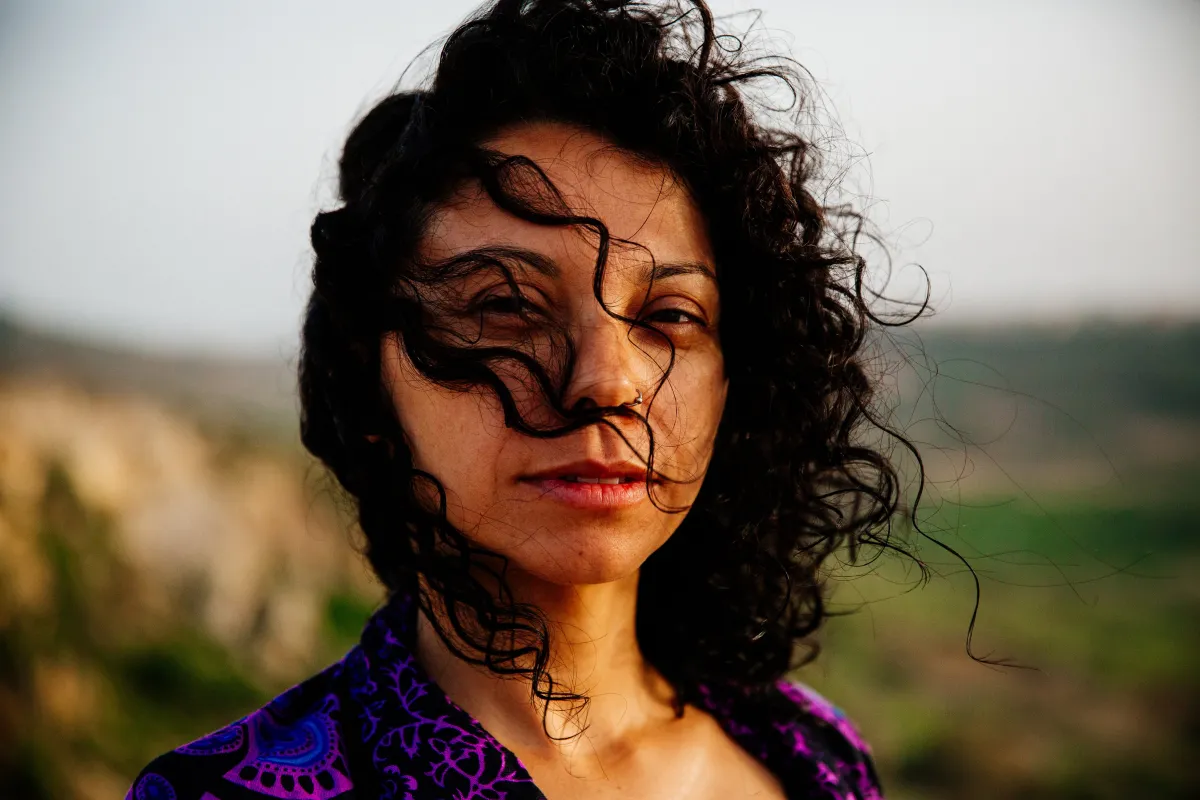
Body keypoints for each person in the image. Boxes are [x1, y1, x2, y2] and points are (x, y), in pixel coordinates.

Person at [128, 0, 915, 797]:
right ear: (368, 380)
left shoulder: (813, 755)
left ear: (733, 382)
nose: (609, 382)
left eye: (669, 317)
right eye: (505, 308)